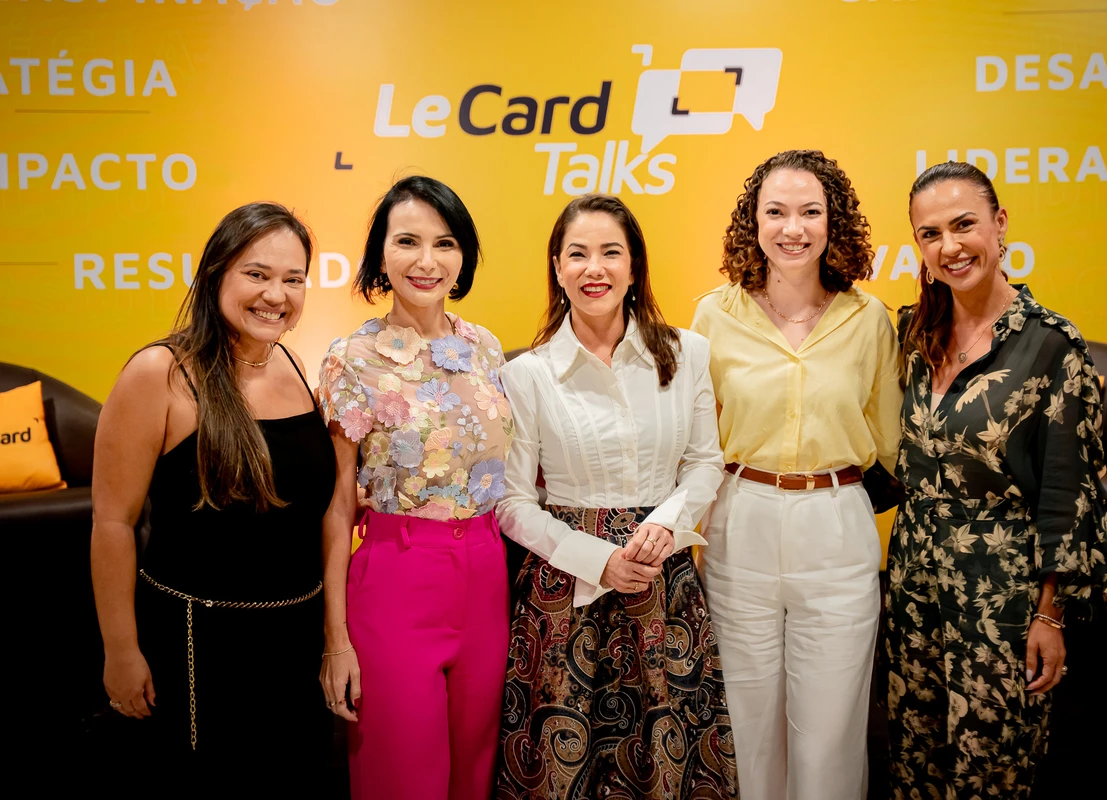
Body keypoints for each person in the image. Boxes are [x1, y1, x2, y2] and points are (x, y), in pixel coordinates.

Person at [886, 161, 1107, 798]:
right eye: (930, 234)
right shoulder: (913, 333)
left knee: (990, 769)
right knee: (914, 760)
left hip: (1002, 596)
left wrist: (1052, 615)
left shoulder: (1051, 345)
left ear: (1000, 224)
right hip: (913, 586)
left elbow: (1069, 496)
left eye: (964, 225)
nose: (950, 246)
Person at [494, 194, 739, 800]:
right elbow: (512, 502)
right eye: (577, 254)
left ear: (635, 266)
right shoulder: (526, 374)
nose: (594, 268)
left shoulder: (686, 353)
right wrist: (596, 558)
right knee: (563, 768)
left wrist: (667, 523)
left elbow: (704, 462)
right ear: (557, 267)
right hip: (563, 595)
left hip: (662, 580)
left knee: (668, 757)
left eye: (611, 252)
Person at [91, 202, 334, 794]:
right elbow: (113, 522)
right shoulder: (159, 372)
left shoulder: (292, 360)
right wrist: (120, 651)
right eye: (256, 274)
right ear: (215, 273)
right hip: (198, 645)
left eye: (293, 279)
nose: (276, 295)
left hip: (295, 640)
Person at [690, 149, 902, 800]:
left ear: (834, 222)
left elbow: (891, 444)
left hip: (836, 521)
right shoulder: (713, 315)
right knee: (747, 724)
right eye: (775, 212)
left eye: (811, 212)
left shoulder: (869, 319)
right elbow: (696, 440)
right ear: (751, 222)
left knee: (829, 734)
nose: (793, 228)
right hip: (739, 517)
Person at [317, 176, 512, 800]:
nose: (427, 260)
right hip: (396, 578)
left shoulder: (484, 347)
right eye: (407, 241)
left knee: (474, 773)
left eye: (444, 243)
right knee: (402, 779)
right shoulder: (351, 357)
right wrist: (335, 640)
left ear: (464, 257)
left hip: (486, 575)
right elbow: (337, 505)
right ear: (380, 255)